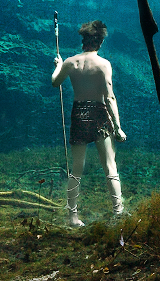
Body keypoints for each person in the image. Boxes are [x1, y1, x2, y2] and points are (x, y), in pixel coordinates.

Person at [50, 20, 127, 226]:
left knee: (76, 169)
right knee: (110, 166)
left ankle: (73, 217)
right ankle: (118, 211)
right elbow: (109, 97)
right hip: (99, 115)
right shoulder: (103, 64)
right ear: (100, 42)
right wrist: (118, 127)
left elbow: (55, 82)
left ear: (83, 40)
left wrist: (58, 66)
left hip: (78, 114)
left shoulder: (70, 62)